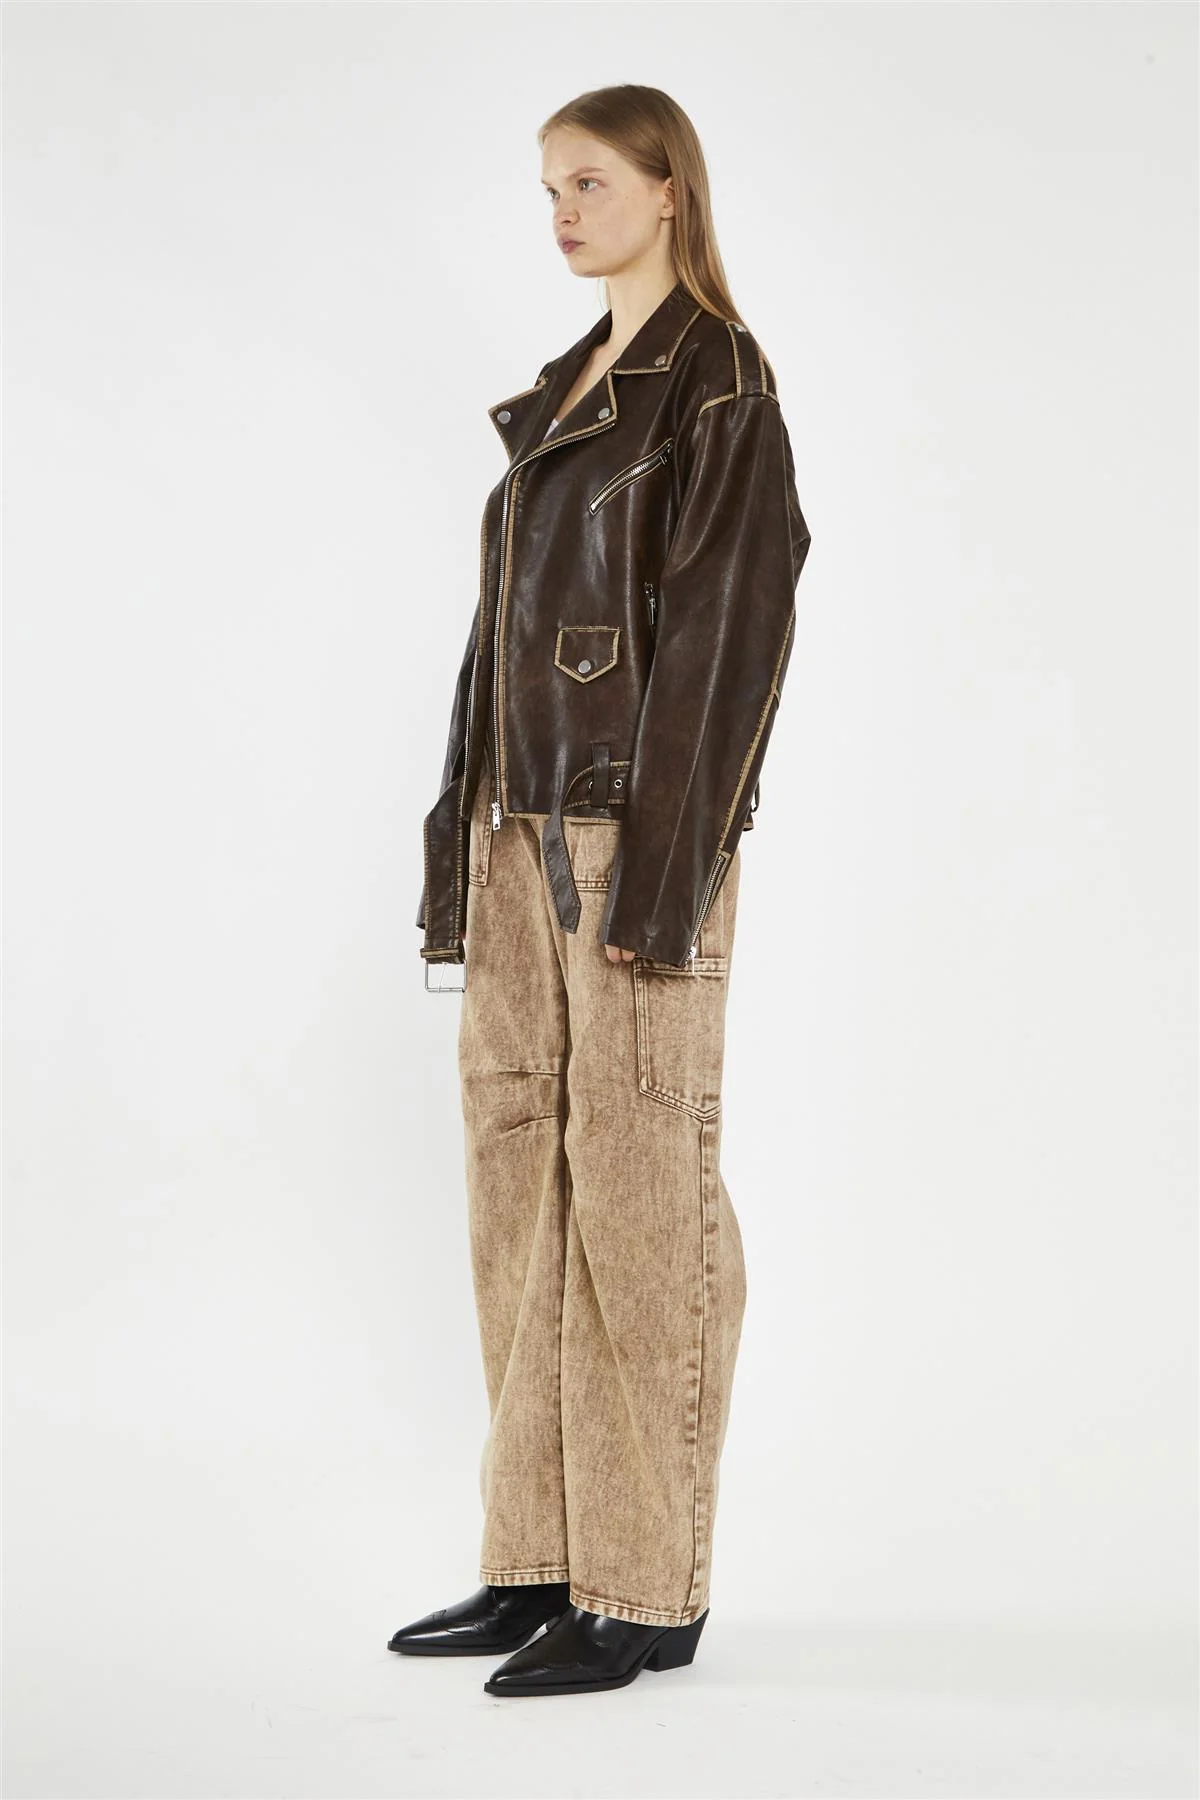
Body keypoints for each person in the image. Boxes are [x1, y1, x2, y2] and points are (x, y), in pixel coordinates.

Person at [393, 84, 812, 1698]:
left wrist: (665, 879)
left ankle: (644, 1586)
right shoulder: (572, 392)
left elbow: (729, 650)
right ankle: (538, 1557)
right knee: (522, 1189)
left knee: (641, 1194)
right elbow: (497, 655)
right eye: (548, 189)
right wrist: (462, 841)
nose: (563, 213)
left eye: (589, 183)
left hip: (629, 845)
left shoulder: (719, 389)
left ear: (667, 190)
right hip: (518, 838)